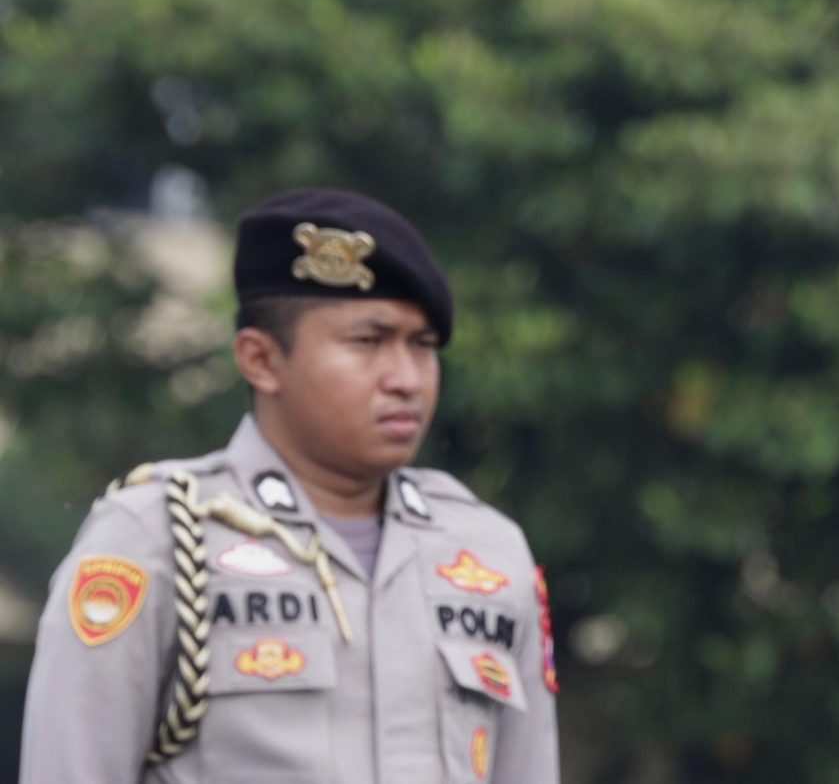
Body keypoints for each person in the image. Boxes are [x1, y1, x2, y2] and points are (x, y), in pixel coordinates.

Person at [19, 187, 562, 784]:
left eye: (423, 346)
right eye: (368, 342)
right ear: (261, 360)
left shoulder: (486, 551)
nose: (406, 379)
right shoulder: (157, 538)